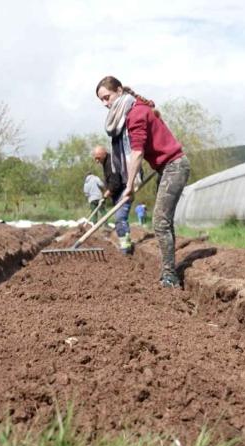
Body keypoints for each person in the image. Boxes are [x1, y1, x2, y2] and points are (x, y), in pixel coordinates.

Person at [96, 76, 190, 288]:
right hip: (165, 168)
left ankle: (169, 277)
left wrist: (129, 186)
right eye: (101, 100)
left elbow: (137, 152)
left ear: (119, 91)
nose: (105, 103)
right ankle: (170, 270)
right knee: (163, 222)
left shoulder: (135, 114)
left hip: (174, 166)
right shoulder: (135, 109)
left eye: (107, 97)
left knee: (159, 222)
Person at [92, 145, 132, 252]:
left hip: (123, 192)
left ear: (104, 153)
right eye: (95, 158)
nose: (96, 161)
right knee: (119, 218)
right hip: (118, 194)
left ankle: (126, 248)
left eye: (98, 158)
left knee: (120, 218)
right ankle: (126, 244)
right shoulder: (106, 162)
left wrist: (105, 196)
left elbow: (115, 183)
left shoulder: (111, 163)